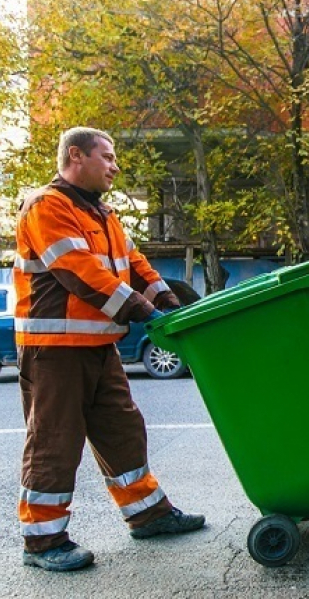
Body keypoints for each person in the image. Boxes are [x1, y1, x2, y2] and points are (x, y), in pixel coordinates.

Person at [13, 127, 205, 572]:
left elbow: (136, 267)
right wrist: (142, 311)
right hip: (54, 349)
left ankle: (148, 514)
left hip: (99, 346)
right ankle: (42, 542)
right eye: (109, 157)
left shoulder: (104, 214)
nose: (116, 166)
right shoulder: (47, 206)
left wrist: (169, 304)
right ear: (76, 156)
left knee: (123, 430)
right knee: (55, 442)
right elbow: (80, 273)